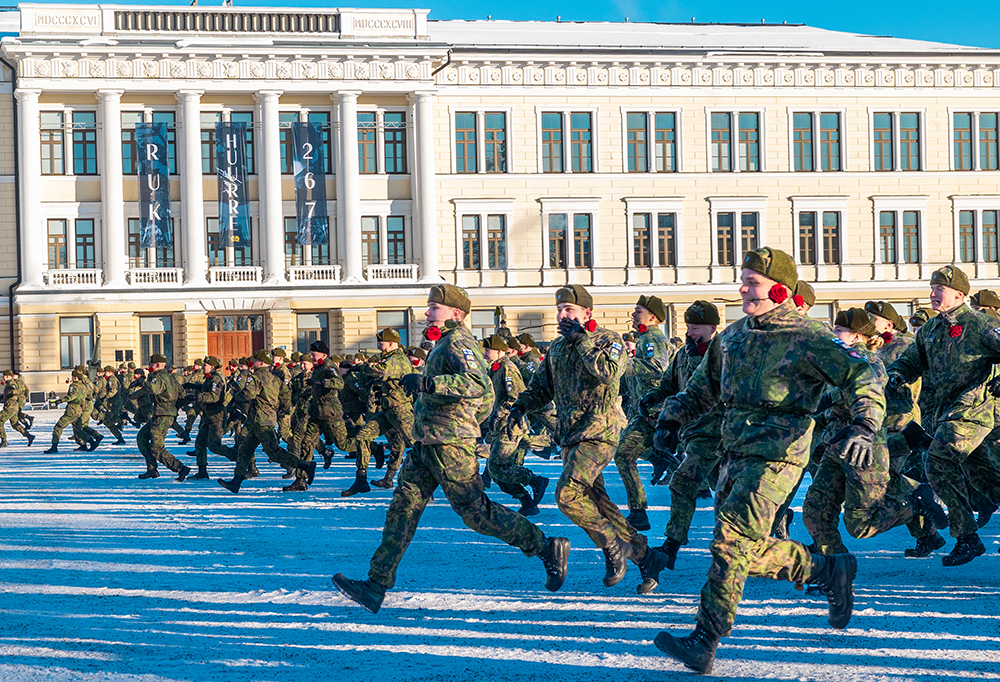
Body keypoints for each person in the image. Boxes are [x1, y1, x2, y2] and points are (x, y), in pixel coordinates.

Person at [652, 247, 884, 674]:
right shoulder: (734, 336)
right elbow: (703, 389)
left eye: (752, 282)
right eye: (742, 280)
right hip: (734, 452)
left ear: (780, 289)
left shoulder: (810, 337)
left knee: (729, 541)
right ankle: (826, 569)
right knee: (742, 548)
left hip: (780, 454)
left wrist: (864, 425)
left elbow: (861, 376)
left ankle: (706, 639)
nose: (742, 288)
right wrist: (670, 419)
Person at [333, 284, 569, 614]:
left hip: (449, 444)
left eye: (434, 307)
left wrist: (430, 384)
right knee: (403, 506)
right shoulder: (442, 343)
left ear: (455, 313)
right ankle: (376, 585)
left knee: (476, 513)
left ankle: (545, 546)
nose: (427, 312)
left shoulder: (460, 341)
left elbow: (477, 385)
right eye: (429, 307)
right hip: (427, 442)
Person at [509, 285, 670, 595]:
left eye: (569, 310)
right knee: (598, 504)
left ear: (587, 313)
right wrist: (520, 406)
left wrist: (581, 339)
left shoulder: (609, 340)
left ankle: (612, 546)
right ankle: (647, 556)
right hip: (571, 435)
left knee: (567, 494)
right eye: (560, 310)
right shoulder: (557, 347)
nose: (562, 315)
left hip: (599, 432)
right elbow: (541, 387)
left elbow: (610, 373)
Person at [802, 308, 947, 555]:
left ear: (857, 336)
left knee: (861, 524)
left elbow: (871, 391)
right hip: (836, 444)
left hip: (863, 446)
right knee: (816, 507)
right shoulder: (837, 360)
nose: (833, 334)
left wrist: (830, 398)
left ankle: (916, 501)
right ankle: (834, 563)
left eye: (839, 331)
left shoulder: (870, 362)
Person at [886, 265, 1000, 565]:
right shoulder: (930, 330)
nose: (934, 293)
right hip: (944, 413)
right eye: (933, 288)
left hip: (972, 409)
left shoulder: (979, 324)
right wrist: (897, 374)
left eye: (941, 289)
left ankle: (967, 538)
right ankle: (968, 535)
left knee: (936, 460)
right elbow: (911, 361)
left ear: (959, 294)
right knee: (986, 479)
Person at [644, 301, 724, 570]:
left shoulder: (723, 353)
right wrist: (653, 396)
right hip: (692, 434)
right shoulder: (682, 353)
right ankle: (770, 527)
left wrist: (694, 355)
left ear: (713, 327)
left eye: (697, 327)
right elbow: (670, 383)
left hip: (716, 434)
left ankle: (670, 547)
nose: (691, 332)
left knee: (682, 482)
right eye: (688, 327)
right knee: (729, 494)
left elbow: (709, 386)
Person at [218, 349, 316, 494]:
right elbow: (286, 395)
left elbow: (248, 394)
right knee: (245, 449)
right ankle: (236, 482)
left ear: (261, 362)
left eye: (255, 360)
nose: (253, 363)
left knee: (274, 453)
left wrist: (235, 395)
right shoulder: (274, 378)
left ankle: (304, 465)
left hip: (260, 421)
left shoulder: (256, 377)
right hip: (264, 419)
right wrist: (282, 409)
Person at [612, 295, 672, 531]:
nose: (633, 315)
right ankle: (638, 512)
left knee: (699, 471)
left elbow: (658, 367)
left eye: (638, 311)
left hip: (656, 412)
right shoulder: (645, 338)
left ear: (653, 316)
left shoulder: (652, 338)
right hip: (644, 411)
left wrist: (623, 365)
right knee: (624, 454)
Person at [482, 334, 548, 516]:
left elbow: (516, 396)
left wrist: (500, 411)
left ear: (500, 351)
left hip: (510, 425)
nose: (486, 353)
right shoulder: (496, 368)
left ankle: (534, 480)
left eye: (488, 350)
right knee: (496, 472)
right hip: (499, 427)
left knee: (497, 467)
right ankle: (527, 502)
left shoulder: (508, 369)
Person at [347, 328, 417, 494]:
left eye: (381, 342)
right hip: (387, 411)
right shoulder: (388, 358)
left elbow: (381, 371)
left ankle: (430, 485)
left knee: (418, 447)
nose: (379, 345)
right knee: (363, 436)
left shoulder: (398, 359)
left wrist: (362, 368)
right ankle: (361, 480)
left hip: (401, 411)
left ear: (391, 343)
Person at [135, 354, 191, 481]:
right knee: (142, 437)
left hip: (161, 414)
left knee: (157, 447)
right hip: (164, 413)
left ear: (158, 365)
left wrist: (143, 381)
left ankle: (181, 468)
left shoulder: (158, 377)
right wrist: (174, 408)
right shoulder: (172, 378)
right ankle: (151, 469)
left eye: (151, 365)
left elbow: (152, 389)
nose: (149, 367)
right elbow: (182, 395)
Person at [189, 356, 233, 480]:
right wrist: (191, 386)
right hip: (209, 416)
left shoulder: (216, 379)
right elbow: (205, 389)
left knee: (214, 446)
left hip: (216, 416)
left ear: (212, 367)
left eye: (205, 365)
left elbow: (214, 396)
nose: (203, 367)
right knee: (200, 443)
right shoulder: (211, 378)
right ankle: (202, 472)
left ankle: (242, 459)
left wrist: (198, 397)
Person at [44, 367, 93, 454]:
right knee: (78, 430)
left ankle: (54, 447)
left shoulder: (73, 386)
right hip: (79, 410)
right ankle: (93, 442)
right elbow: (89, 396)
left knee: (58, 427)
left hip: (72, 410)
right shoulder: (84, 386)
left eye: (74, 377)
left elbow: (72, 396)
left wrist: (61, 401)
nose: (73, 378)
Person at [0, 370, 33, 446]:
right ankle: (29, 436)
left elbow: (16, 391)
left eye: (5, 376)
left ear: (9, 376)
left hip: (10, 407)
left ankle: (4, 440)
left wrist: (11, 392)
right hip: (13, 407)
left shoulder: (11, 383)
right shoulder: (9, 383)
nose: (3, 378)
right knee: (14, 424)